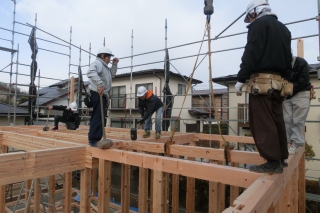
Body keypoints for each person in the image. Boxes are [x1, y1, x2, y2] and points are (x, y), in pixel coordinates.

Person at [234, 0, 292, 173]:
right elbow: (288, 59)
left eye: (250, 17)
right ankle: (281, 157)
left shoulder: (258, 25)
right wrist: (287, 81)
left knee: (262, 121)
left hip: (262, 83)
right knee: (276, 120)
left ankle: (273, 162)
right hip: (278, 83)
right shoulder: (284, 30)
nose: (250, 21)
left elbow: (252, 52)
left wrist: (241, 78)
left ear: (254, 12)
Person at [87, 47, 119, 147]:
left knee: (101, 117)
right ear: (102, 56)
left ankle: (97, 138)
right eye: (108, 57)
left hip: (103, 94)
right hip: (97, 93)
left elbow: (112, 75)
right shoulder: (97, 63)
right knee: (97, 116)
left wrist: (114, 65)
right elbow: (90, 72)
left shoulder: (105, 67)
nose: (109, 59)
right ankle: (93, 140)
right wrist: (100, 84)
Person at [283, 55, 311, 154]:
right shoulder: (282, 64)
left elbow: (302, 81)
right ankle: (287, 143)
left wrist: (288, 89)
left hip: (301, 93)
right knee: (287, 119)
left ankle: (296, 144)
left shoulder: (301, 63)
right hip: (287, 95)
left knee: (298, 120)